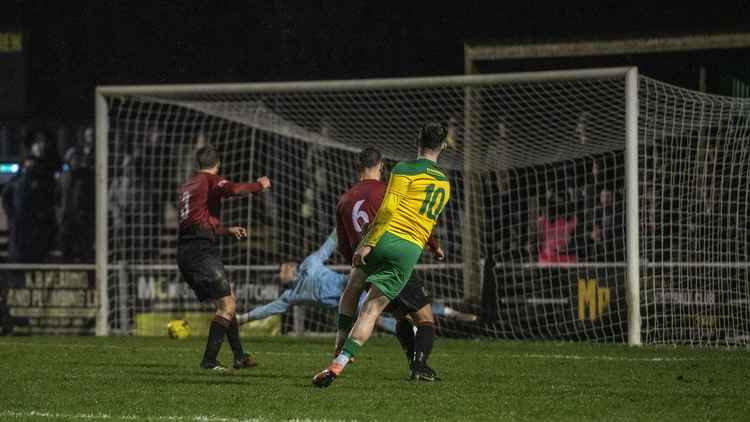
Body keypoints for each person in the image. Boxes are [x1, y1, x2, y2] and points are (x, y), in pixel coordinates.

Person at [314, 122, 451, 388]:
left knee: (359, 293)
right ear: (443, 147)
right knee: (382, 311)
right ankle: (339, 365)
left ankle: (341, 342)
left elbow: (389, 210)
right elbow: (426, 221)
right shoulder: (445, 184)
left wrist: (368, 244)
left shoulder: (402, 169)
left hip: (384, 241)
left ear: (417, 142)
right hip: (409, 250)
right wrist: (433, 247)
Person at [235, 231, 475, 331]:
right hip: (349, 304)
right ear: (284, 279)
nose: (283, 269)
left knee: (395, 305)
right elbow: (266, 310)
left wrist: (343, 222)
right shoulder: (291, 296)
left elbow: (329, 245)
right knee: (374, 316)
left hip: (356, 284)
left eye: (283, 266)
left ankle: (447, 311)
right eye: (280, 271)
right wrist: (243, 318)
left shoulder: (310, 263)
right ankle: (421, 328)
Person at [176, 144, 271, 371]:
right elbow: (235, 190)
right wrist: (260, 185)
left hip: (187, 249)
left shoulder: (187, 186)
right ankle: (209, 361)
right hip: (201, 251)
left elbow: (198, 221)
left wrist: (226, 230)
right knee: (227, 305)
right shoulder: (209, 181)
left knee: (227, 301)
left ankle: (239, 355)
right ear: (217, 165)